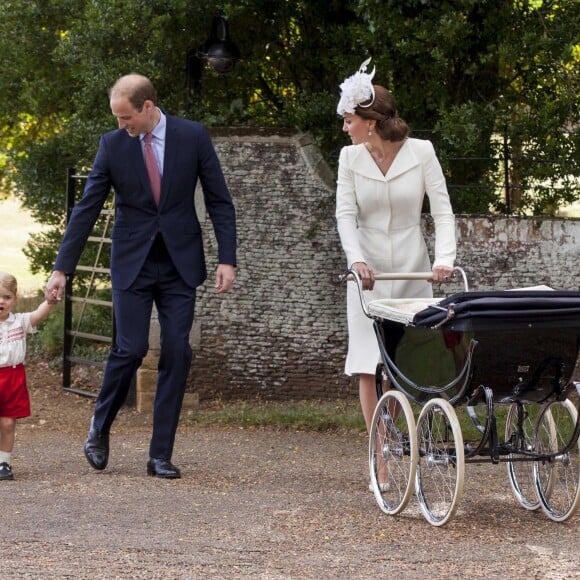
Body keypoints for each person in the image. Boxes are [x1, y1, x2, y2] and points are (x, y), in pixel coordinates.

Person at [45, 73, 237, 479]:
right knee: (130, 349)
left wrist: (227, 258)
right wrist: (62, 268)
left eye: (126, 116)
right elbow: (87, 208)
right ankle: (100, 426)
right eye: (117, 118)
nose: (121, 125)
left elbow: (220, 200)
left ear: (148, 107)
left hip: (180, 264)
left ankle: (160, 455)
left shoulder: (192, 136)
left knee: (176, 351)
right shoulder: (113, 145)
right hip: (133, 262)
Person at [335, 59, 456, 464]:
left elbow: (441, 211)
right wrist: (356, 260)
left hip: (411, 266)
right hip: (367, 273)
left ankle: (406, 430)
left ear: (369, 121)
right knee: (368, 364)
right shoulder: (348, 159)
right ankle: (381, 456)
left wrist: (444, 259)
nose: (344, 127)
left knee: (399, 364)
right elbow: (345, 215)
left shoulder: (421, 152)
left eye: (349, 119)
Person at [1, 272, 58, 480]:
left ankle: (4, 463)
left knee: (7, 423)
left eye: (6, 297)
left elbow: (38, 314)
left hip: (13, 377)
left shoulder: (19, 322)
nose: (1, 301)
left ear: (14, 299)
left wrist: (49, 301)